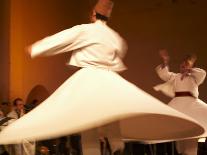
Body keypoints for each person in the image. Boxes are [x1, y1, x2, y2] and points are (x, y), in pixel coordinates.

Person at [0, 1, 205, 155]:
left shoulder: (86, 30)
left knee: (89, 121)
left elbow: (62, 39)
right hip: (109, 78)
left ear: (92, 14)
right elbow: (120, 51)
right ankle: (116, 146)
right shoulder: (115, 37)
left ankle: (100, 150)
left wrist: (36, 48)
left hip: (90, 76)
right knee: (110, 112)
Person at [154, 49, 207, 155]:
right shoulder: (175, 77)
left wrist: (190, 70)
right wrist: (165, 62)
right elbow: (165, 75)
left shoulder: (195, 78)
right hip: (178, 104)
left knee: (192, 132)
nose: (183, 67)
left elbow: (202, 73)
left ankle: (190, 151)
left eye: (186, 65)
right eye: (182, 65)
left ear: (191, 67)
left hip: (192, 104)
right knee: (181, 133)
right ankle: (181, 151)